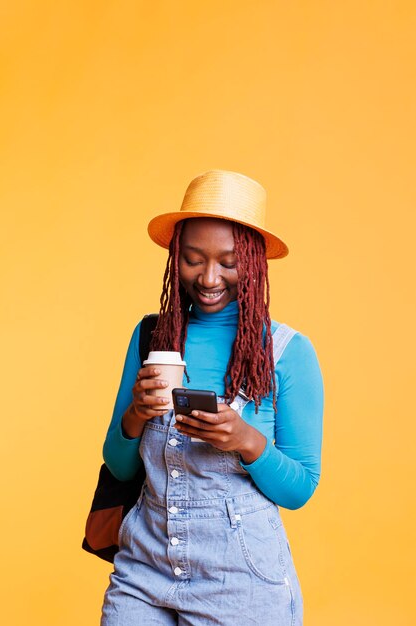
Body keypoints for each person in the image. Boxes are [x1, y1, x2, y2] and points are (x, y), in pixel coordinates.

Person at [100, 170, 324, 626]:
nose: (208, 277)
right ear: (174, 258)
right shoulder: (150, 338)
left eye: (228, 262)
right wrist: (136, 416)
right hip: (144, 569)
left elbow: (301, 489)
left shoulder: (287, 353)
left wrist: (247, 441)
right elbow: (119, 466)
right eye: (193, 259)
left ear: (255, 263)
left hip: (240, 580)